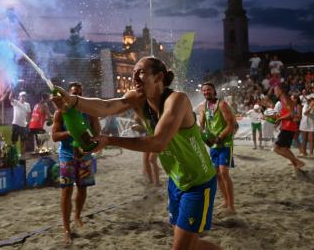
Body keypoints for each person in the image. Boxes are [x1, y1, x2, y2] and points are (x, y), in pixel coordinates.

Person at [53, 57, 220, 250]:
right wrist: (71, 100)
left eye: (140, 72)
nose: (134, 78)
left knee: (181, 247)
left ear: (159, 77)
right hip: (176, 180)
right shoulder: (138, 98)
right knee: (191, 244)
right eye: (133, 73)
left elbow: (158, 143)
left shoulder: (177, 99)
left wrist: (110, 140)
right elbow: (106, 106)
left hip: (198, 182)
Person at [51, 82, 101, 245]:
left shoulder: (89, 111)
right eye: (73, 93)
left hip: (84, 154)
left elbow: (97, 132)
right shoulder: (61, 112)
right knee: (66, 191)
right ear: (68, 95)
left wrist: (88, 137)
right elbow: (55, 136)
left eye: (78, 94)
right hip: (66, 155)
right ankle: (66, 229)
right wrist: (71, 132)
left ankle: (77, 215)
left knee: (83, 188)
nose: (75, 96)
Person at [199, 82, 236, 217]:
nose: (206, 92)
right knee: (216, 175)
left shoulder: (222, 105)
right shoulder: (203, 107)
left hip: (225, 143)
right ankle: (226, 201)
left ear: (214, 91)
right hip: (213, 145)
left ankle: (231, 206)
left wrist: (220, 137)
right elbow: (201, 126)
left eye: (208, 90)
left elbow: (231, 124)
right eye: (204, 90)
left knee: (224, 173)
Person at [273, 85, 305, 170]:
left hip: (288, 126)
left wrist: (280, 118)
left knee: (276, 148)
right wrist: (279, 118)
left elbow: (291, 114)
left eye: (275, 91)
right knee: (285, 149)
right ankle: (296, 165)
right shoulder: (285, 98)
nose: (274, 93)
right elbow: (288, 112)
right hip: (290, 126)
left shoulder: (283, 98)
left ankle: (298, 161)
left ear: (280, 90)